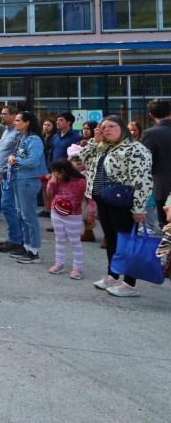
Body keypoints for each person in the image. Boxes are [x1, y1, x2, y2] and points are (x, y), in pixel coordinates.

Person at [81, 115, 153, 297]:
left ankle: (130, 283)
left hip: (123, 202)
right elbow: (83, 158)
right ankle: (113, 275)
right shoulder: (105, 146)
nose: (106, 130)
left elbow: (142, 181)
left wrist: (138, 208)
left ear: (122, 127)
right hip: (104, 200)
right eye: (103, 127)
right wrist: (94, 141)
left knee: (127, 242)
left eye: (111, 126)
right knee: (112, 239)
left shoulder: (135, 149)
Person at [6, 112, 45, 264]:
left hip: (29, 180)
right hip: (19, 178)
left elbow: (33, 161)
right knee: (21, 215)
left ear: (27, 122)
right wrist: (12, 158)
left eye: (17, 120)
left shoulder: (34, 140)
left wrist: (16, 161)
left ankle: (34, 251)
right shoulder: (21, 138)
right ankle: (27, 246)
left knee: (29, 216)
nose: (14, 123)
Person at [46, 158, 88, 279]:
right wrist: (51, 183)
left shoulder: (81, 181)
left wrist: (91, 213)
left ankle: (78, 268)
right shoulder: (56, 180)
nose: (54, 174)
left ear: (63, 171)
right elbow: (50, 194)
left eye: (55, 172)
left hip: (73, 215)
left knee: (75, 242)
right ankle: (59, 263)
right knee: (59, 240)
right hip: (56, 212)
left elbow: (89, 198)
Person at [0, 106, 24, 253]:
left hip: (11, 174)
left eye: (4, 114)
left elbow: (19, 153)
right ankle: (15, 236)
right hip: (3, 173)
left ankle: (16, 239)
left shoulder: (18, 133)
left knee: (8, 206)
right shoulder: (7, 131)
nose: (1, 116)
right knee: (8, 206)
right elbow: (3, 152)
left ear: (14, 116)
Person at [141, 98, 171, 232]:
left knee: (168, 230)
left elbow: (145, 163)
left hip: (163, 187)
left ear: (151, 115)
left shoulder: (150, 134)